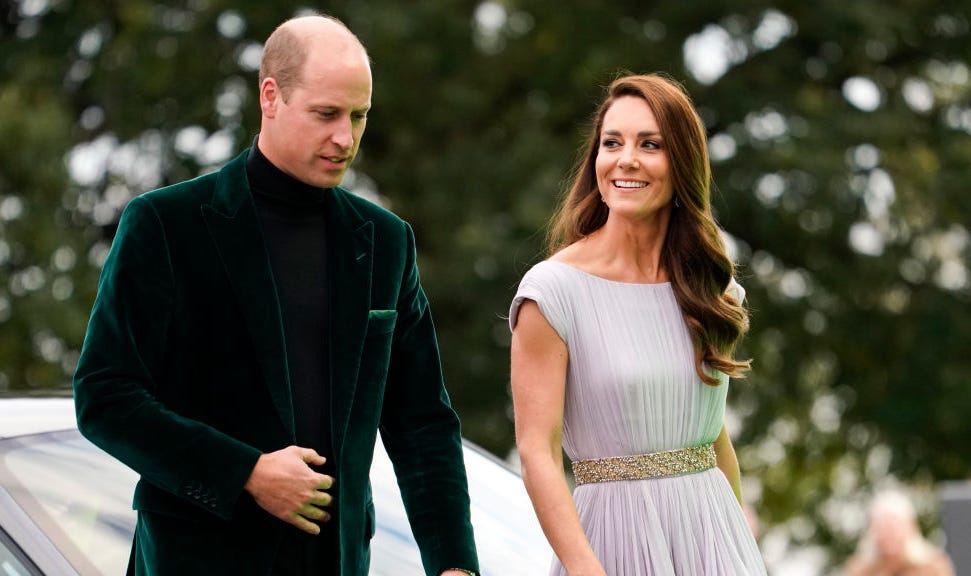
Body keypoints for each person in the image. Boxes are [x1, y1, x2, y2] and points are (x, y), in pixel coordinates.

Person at [73, 14, 479, 576]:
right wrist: (247, 472)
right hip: (197, 559)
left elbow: (422, 422)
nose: (346, 137)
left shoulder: (387, 242)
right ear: (271, 96)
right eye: (326, 114)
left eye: (359, 116)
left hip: (334, 563)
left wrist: (454, 564)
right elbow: (105, 397)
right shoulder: (166, 225)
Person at [509, 73, 766, 574]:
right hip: (611, 546)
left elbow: (714, 440)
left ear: (682, 164)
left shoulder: (712, 289)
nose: (626, 159)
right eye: (612, 143)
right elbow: (536, 451)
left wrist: (744, 554)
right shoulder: (552, 292)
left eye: (650, 144)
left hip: (715, 543)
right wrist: (585, 569)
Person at [844, 490, 955, 576]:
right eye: (883, 527)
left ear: (911, 528)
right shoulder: (860, 570)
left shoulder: (933, 567)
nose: (889, 533)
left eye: (895, 526)